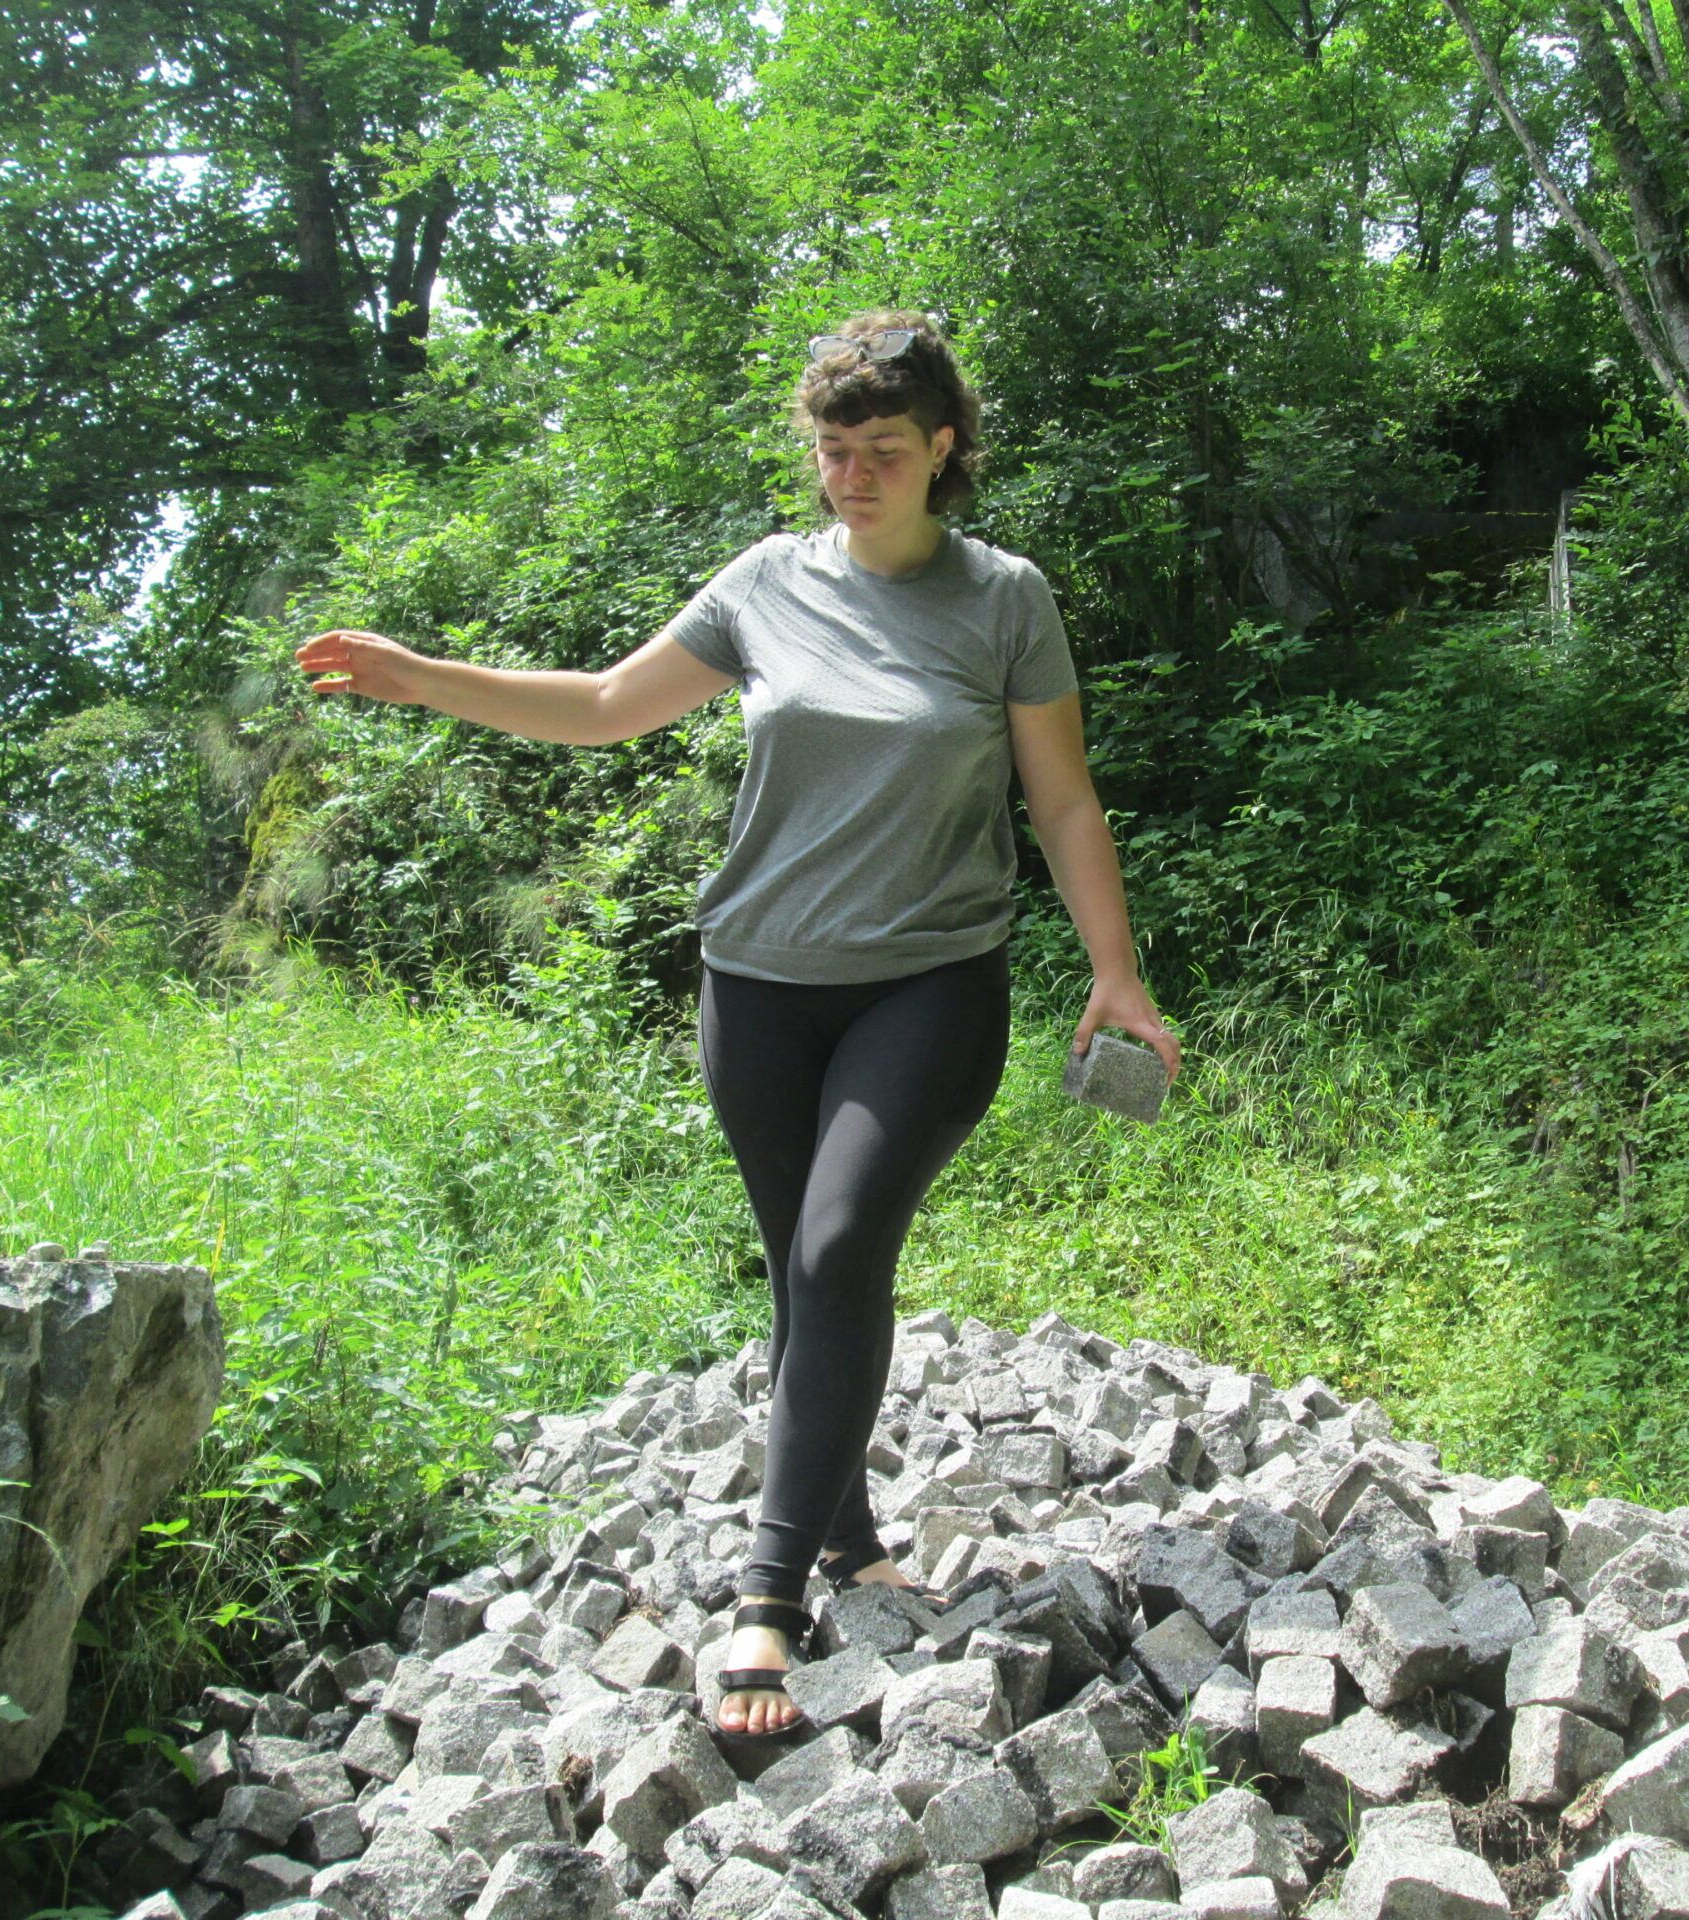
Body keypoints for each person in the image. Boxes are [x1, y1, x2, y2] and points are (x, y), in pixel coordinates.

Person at [295, 308, 1180, 1739]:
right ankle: (851, 1541)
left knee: (836, 1248)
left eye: (881, 449)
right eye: (832, 450)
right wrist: (420, 677)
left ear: (943, 447)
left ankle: (765, 1596)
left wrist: (1115, 971)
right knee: (804, 1279)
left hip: (929, 982)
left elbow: (1063, 799)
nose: (852, 477)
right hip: (756, 985)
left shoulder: (1004, 598)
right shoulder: (768, 580)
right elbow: (604, 705)